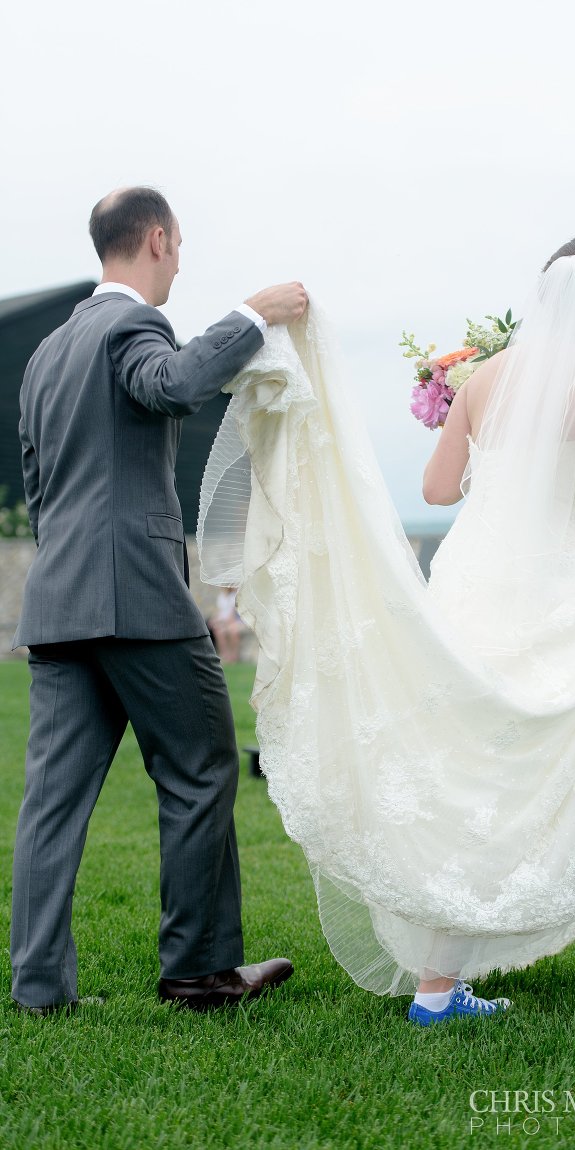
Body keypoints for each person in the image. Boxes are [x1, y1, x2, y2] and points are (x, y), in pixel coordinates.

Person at [197, 237, 575, 1027]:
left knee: (513, 760)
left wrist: (490, 437)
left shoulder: (488, 377)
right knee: (542, 765)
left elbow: (436, 485)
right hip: (558, 589)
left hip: (470, 585)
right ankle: (439, 989)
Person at [11, 186, 307, 1014]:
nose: (179, 260)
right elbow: (172, 384)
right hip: (137, 596)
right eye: (177, 245)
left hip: (61, 600)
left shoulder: (47, 351)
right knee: (201, 764)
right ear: (155, 240)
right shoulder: (132, 326)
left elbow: (40, 486)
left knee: (51, 803)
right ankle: (201, 971)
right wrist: (248, 317)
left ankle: (38, 988)